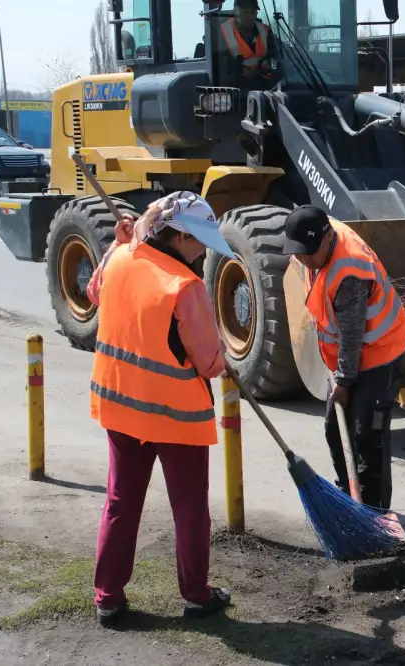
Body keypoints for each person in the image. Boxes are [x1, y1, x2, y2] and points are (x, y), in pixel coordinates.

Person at [86, 191, 238, 627]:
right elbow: (208, 363)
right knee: (190, 507)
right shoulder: (184, 286)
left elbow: (94, 291)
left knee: (120, 501)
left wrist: (119, 243)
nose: (204, 249)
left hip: (119, 407)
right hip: (176, 417)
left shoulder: (118, 260)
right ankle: (196, 595)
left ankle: (108, 598)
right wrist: (223, 353)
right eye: (200, 241)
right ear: (179, 237)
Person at [281, 205, 405, 510]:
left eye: (308, 253)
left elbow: (352, 336)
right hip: (348, 357)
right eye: (298, 252)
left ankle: (374, 513)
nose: (304, 259)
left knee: (369, 435)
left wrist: (344, 381)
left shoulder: (350, 271)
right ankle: (350, 498)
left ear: (328, 237)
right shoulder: (318, 242)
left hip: (380, 352)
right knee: (334, 429)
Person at [219, 0, 280, 87]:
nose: (250, 16)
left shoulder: (266, 31)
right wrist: (238, 72)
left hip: (265, 87)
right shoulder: (222, 32)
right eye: (245, 12)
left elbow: (281, 52)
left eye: (253, 12)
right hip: (234, 91)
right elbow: (219, 66)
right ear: (235, 12)